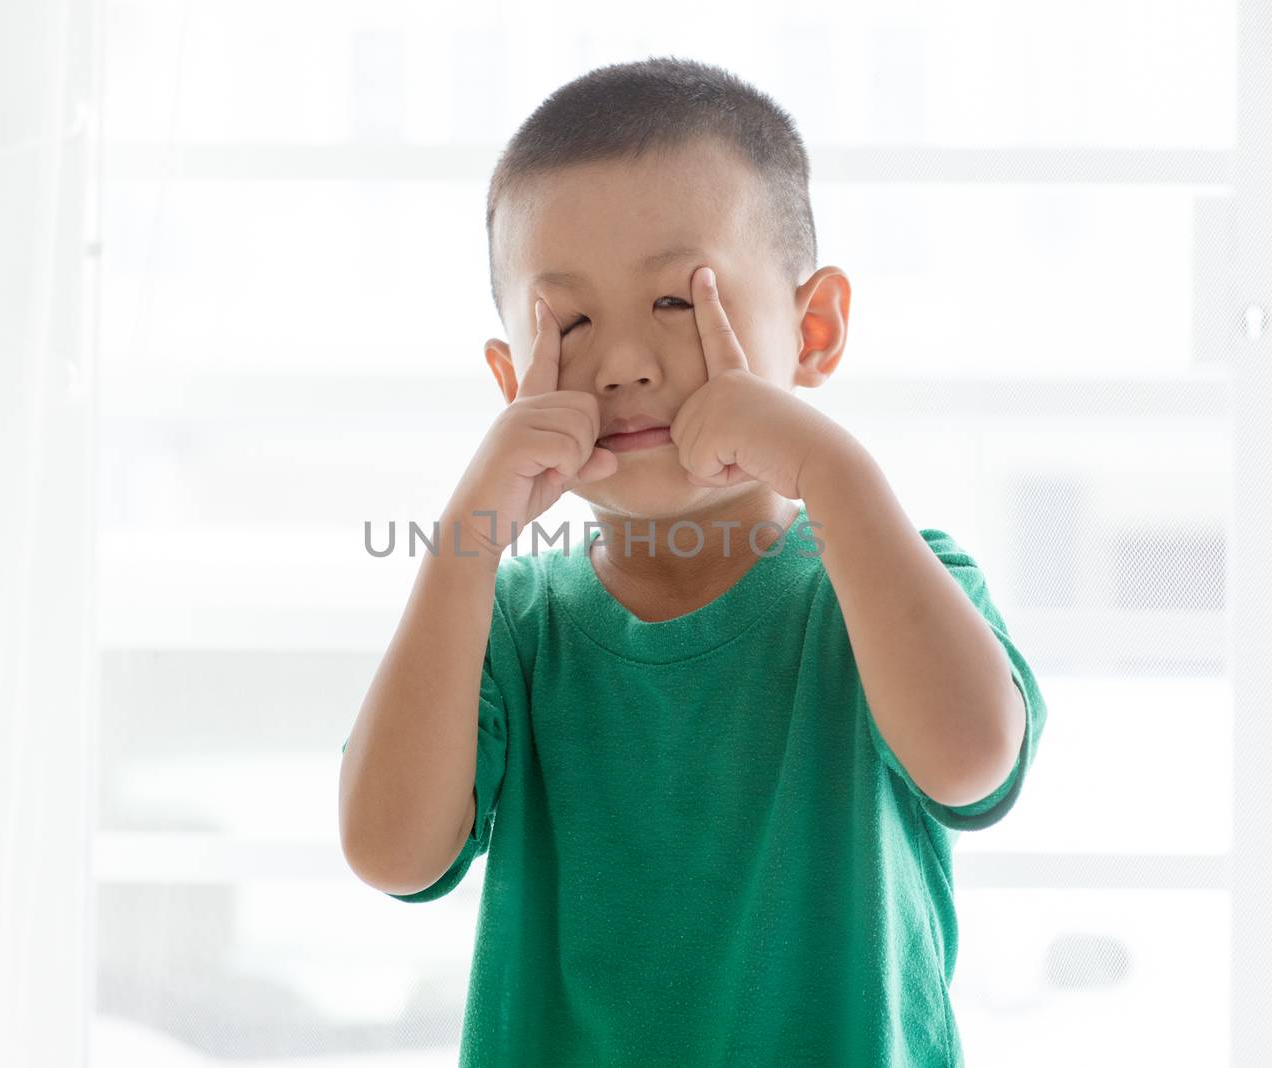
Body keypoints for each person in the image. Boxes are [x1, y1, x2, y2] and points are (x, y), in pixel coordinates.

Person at [338, 55, 1047, 1066]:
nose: (624, 361)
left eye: (678, 302)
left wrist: (830, 469)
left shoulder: (886, 580)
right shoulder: (512, 626)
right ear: (510, 378)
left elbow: (975, 758)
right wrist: (467, 539)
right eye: (570, 323)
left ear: (814, 329)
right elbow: (391, 853)